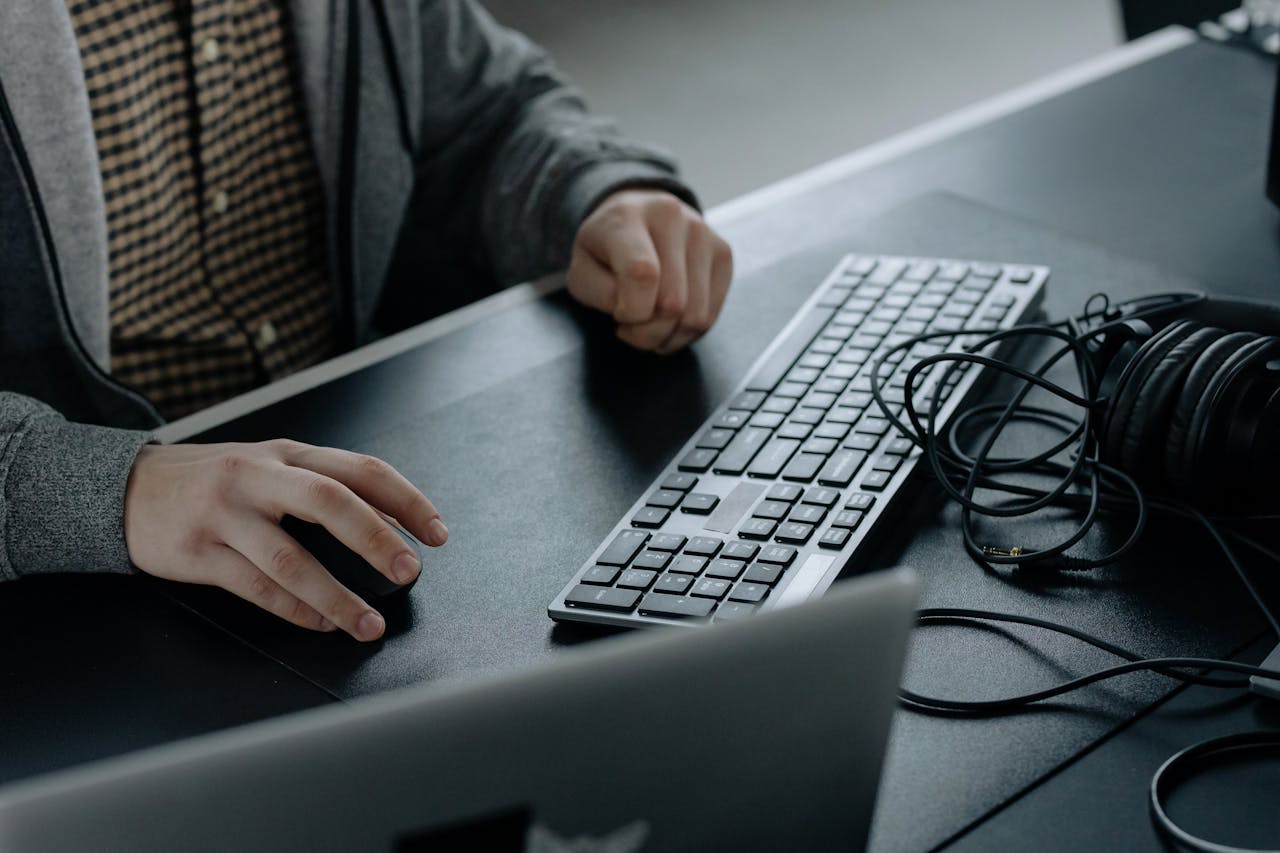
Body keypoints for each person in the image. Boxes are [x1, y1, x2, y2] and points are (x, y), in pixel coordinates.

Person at [0, 1, 732, 642]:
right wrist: (111, 491)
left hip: (375, 482)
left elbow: (484, 113)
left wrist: (588, 189)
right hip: (78, 602)